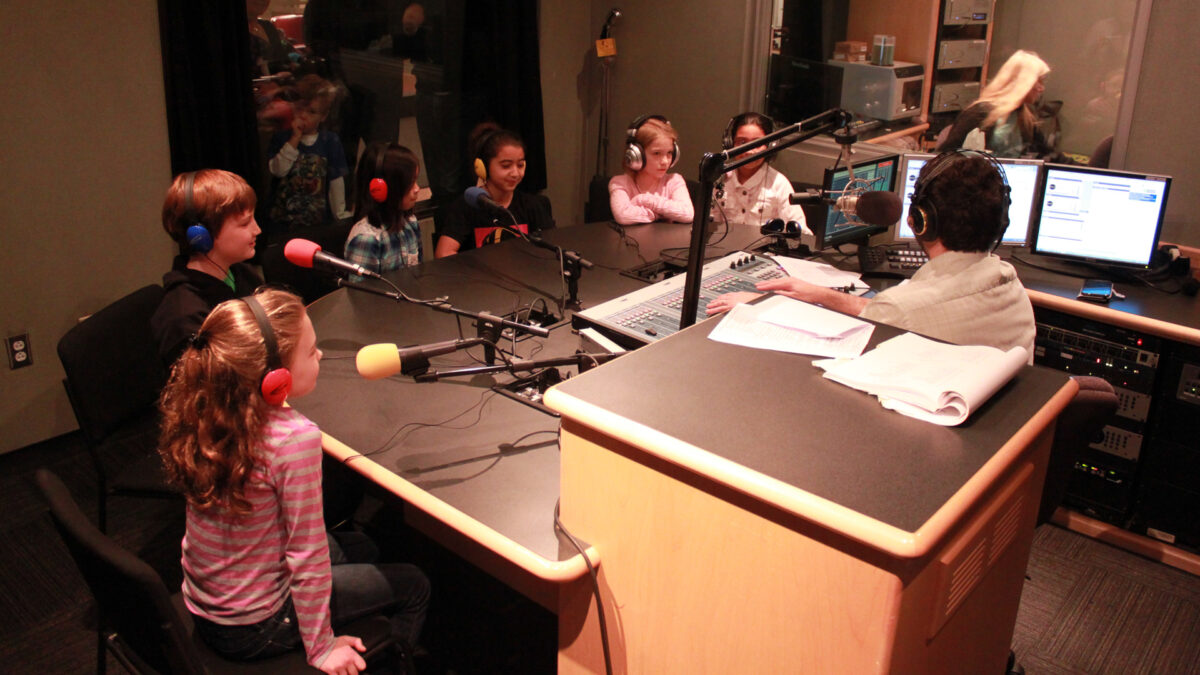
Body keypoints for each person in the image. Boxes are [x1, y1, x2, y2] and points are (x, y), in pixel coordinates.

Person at [158, 288, 430, 673]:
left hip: (206, 605)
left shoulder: (212, 408)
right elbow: (307, 555)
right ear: (274, 377)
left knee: (361, 546)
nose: (319, 355)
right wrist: (321, 647)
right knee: (415, 585)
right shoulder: (293, 439)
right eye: (311, 351)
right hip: (254, 626)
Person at [707, 151, 1036, 358]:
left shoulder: (906, 308)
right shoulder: (1009, 284)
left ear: (920, 220)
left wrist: (764, 309)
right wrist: (823, 295)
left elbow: (833, 347)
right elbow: (893, 312)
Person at [151, 170, 264, 368]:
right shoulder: (186, 317)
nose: (257, 230)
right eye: (245, 223)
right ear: (202, 236)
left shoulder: (242, 274)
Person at [435, 124, 555, 257]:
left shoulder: (531, 205)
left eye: (520, 165)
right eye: (506, 166)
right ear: (483, 167)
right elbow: (443, 253)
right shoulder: (466, 207)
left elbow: (551, 251)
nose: (515, 173)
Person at [267, 75, 351, 232]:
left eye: (312, 112)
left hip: (317, 221)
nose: (303, 115)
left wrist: (339, 214)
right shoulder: (282, 137)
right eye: (300, 108)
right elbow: (278, 171)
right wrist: (294, 139)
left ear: (323, 116)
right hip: (282, 223)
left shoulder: (330, 141)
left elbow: (336, 181)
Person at [937, 50, 1053, 159]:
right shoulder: (978, 114)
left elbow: (1049, 154)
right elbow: (943, 158)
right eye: (1039, 81)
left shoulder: (1025, 117)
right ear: (1024, 83)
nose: (1041, 88)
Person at [712, 112, 809, 234]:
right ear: (730, 144)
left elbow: (802, 232)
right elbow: (709, 224)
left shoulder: (779, 184)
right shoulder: (720, 179)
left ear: (770, 145)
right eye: (742, 142)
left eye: (757, 143)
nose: (749, 150)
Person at [344, 142, 424, 279]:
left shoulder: (411, 223)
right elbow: (360, 297)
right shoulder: (366, 239)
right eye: (410, 183)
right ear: (381, 190)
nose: (417, 189)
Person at [609, 114, 694, 225]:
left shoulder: (674, 180)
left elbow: (687, 214)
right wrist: (661, 214)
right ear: (636, 154)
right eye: (656, 153)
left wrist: (643, 199)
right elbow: (624, 216)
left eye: (669, 153)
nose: (665, 161)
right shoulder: (620, 183)